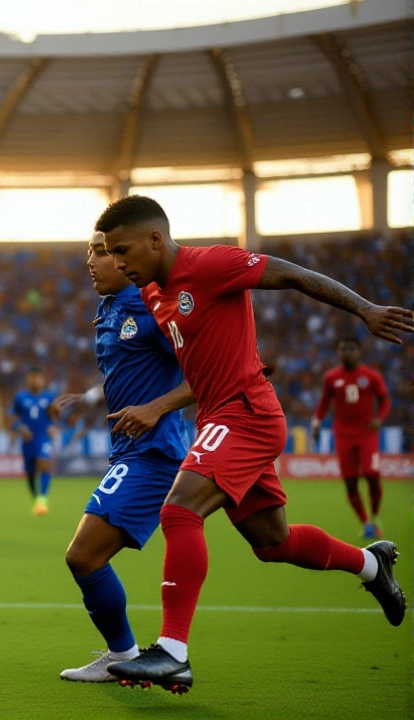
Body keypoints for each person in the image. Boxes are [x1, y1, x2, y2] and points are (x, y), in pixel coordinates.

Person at [92, 196, 410, 693]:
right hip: (219, 417)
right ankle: (373, 564)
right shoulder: (153, 291)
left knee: (179, 511)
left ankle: (173, 651)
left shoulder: (212, 265)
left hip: (248, 414)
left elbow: (292, 275)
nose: (118, 262)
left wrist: (363, 308)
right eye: (109, 253)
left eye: (122, 250)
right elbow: (204, 357)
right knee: (274, 543)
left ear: (156, 239)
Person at [48, 230, 193, 682]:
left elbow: (205, 370)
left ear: (126, 258)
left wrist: (155, 408)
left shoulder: (154, 306)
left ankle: (122, 656)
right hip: (130, 451)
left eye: (100, 252)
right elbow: (131, 366)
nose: (90, 261)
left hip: (155, 453)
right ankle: (366, 562)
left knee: (84, 555)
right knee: (273, 541)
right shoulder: (110, 307)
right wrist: (92, 396)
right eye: (88, 252)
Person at [311, 338, 390, 539]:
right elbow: (323, 403)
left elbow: (385, 401)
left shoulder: (371, 376)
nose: (346, 353)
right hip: (343, 435)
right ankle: (365, 523)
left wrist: (379, 419)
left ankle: (375, 516)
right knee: (350, 482)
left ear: (359, 352)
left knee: (372, 473)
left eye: (350, 349)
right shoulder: (331, 377)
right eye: (342, 349)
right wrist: (317, 422)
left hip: (366, 434)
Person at [11, 368, 56, 515]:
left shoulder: (49, 398)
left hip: (43, 437)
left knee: (44, 464)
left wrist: (53, 427)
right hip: (27, 440)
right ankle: (36, 497)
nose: (34, 381)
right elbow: (12, 418)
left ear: (42, 380)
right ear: (27, 380)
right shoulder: (20, 397)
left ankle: (42, 499)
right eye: (32, 378)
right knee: (30, 472)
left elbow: (56, 417)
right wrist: (19, 427)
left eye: (37, 378)